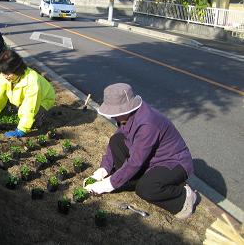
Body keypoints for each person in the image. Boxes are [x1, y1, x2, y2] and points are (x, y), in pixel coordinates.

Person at [84, 83, 196, 219]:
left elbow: (135, 162)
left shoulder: (147, 124)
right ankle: (132, 180)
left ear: (127, 108)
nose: (114, 117)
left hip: (172, 162)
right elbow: (117, 140)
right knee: (116, 141)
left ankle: (184, 196)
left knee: (146, 189)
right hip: (150, 158)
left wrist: (107, 185)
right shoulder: (126, 117)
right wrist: (102, 171)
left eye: (115, 113)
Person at [0, 50, 55, 138]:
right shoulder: (5, 75)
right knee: (3, 108)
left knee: (32, 118)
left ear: (17, 69)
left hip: (43, 98)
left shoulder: (32, 80)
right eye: (3, 73)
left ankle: (39, 117)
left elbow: (30, 106)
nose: (5, 76)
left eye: (8, 74)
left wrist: (21, 129)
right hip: (21, 97)